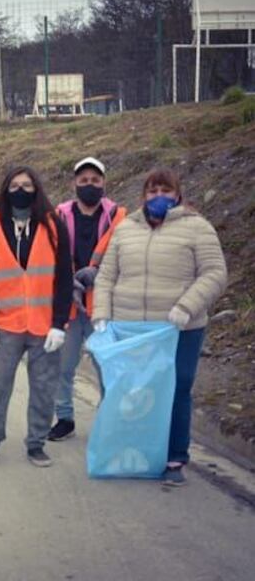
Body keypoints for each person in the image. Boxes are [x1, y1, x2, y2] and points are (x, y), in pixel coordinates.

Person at [93, 168, 227, 487]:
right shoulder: (126, 229)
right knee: (133, 391)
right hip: (131, 328)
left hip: (178, 328)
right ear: (143, 195)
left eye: (165, 191)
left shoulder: (197, 227)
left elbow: (214, 273)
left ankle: (174, 457)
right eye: (152, 191)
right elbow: (107, 275)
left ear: (177, 195)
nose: (158, 197)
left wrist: (186, 307)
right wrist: (101, 313)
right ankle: (132, 452)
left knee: (176, 389)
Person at [0, 165, 72, 468]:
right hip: (4, 324)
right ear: (5, 190)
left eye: (27, 185)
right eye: (14, 186)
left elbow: (65, 278)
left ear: (37, 189)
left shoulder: (53, 225)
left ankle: (36, 444)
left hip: (43, 326)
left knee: (43, 389)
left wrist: (59, 324)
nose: (21, 191)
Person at [48, 156, 126, 442]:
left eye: (95, 180)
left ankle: (109, 420)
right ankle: (64, 418)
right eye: (83, 180)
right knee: (62, 366)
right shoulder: (59, 215)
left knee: (106, 365)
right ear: (74, 184)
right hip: (68, 304)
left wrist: (99, 272)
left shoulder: (118, 216)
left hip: (103, 305)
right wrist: (66, 281)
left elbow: (122, 254)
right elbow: (49, 254)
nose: (89, 185)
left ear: (104, 183)